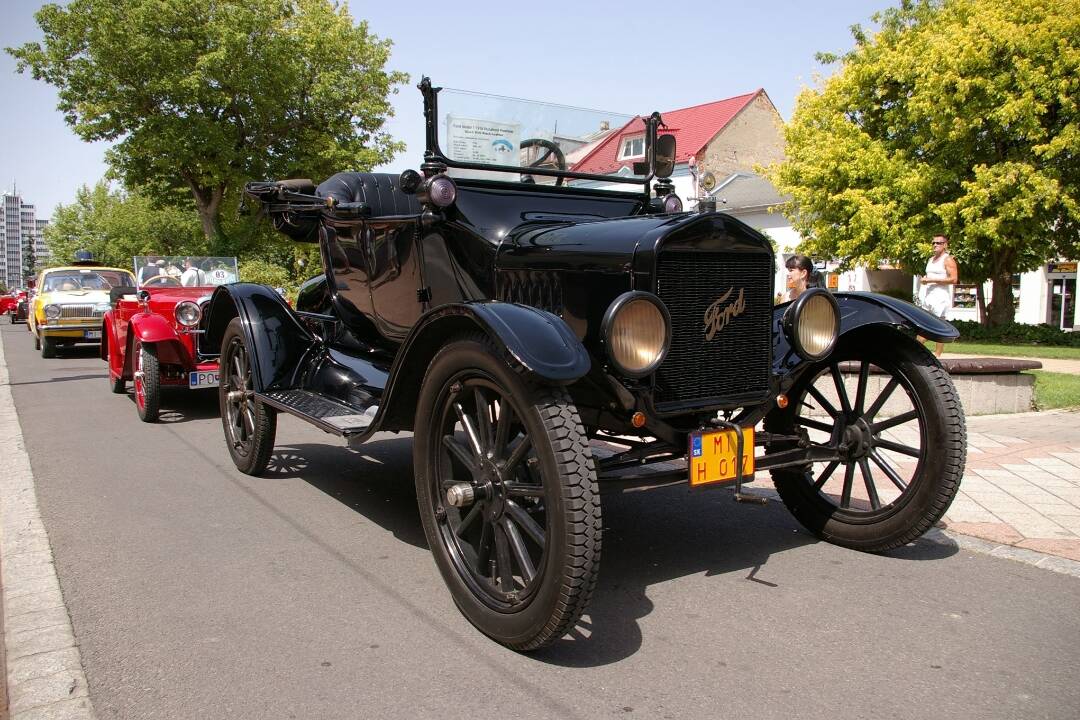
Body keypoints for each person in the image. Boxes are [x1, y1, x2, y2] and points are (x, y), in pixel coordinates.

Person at [918, 234, 959, 357]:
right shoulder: (931, 260)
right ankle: (932, 353)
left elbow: (954, 279)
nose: (935, 245)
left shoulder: (948, 260)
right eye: (933, 243)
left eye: (939, 243)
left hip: (940, 297)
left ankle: (936, 354)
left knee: (936, 325)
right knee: (928, 323)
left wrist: (931, 280)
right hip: (928, 296)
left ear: (945, 245)